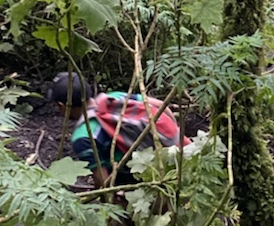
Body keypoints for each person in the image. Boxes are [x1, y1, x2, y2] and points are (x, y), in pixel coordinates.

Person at [48, 71, 187, 184]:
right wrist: (176, 133)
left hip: (143, 175)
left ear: (62, 106)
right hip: (180, 155)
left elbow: (102, 181)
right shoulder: (114, 98)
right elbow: (161, 106)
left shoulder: (82, 136)